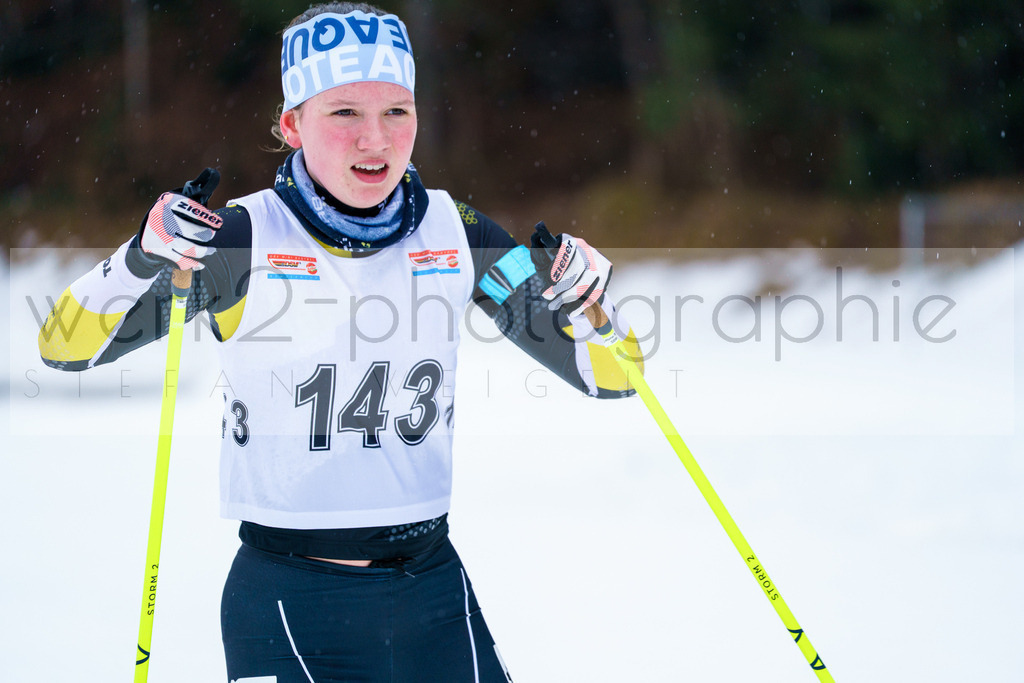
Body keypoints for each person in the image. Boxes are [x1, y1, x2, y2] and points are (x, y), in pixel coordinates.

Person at [38, 3, 643, 681]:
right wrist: (140, 257)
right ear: (293, 123)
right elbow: (65, 345)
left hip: (432, 592)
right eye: (345, 113)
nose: (376, 141)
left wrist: (593, 306)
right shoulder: (241, 238)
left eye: (397, 112)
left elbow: (609, 377)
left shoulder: (457, 229)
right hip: (290, 599)